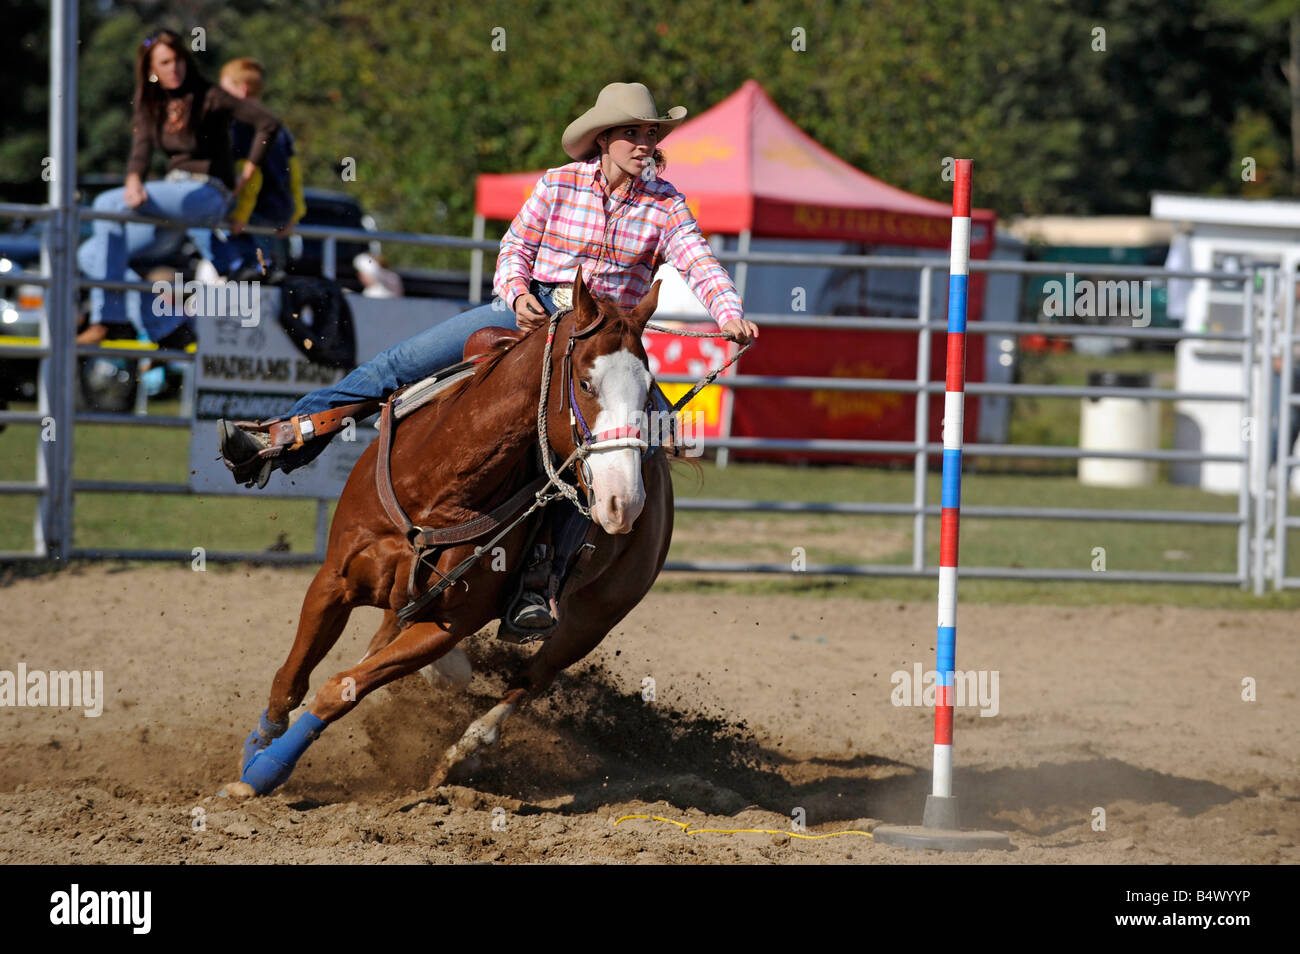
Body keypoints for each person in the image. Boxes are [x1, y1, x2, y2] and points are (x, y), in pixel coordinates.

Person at [217, 82, 759, 626]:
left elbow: (699, 262)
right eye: (633, 133)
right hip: (533, 309)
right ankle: (286, 434)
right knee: (402, 364)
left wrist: (728, 312)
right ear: (604, 139)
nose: (645, 143)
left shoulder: (666, 204)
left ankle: (541, 575)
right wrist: (520, 293)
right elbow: (516, 247)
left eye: (650, 134)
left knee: (636, 439)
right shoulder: (558, 184)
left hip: (602, 343)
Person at [76, 29, 282, 338]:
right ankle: (167, 326)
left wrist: (249, 170)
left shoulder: (209, 95)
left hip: (205, 194)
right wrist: (134, 179)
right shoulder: (151, 103)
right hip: (173, 203)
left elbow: (269, 123)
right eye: (166, 62)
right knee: (90, 252)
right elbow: (141, 149)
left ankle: (109, 317)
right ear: (151, 69)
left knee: (106, 204)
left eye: (179, 60)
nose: (175, 68)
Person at [193, 57, 306, 278]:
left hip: (255, 211)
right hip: (280, 212)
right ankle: (267, 271)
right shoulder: (278, 128)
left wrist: (240, 216)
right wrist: (295, 213)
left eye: (225, 90)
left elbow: (251, 176)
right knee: (267, 263)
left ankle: (236, 264)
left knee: (194, 212)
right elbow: (295, 175)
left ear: (241, 90)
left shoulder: (242, 125)